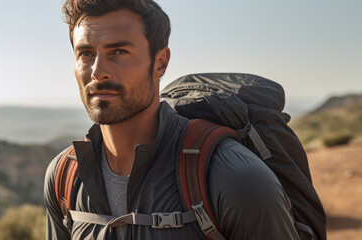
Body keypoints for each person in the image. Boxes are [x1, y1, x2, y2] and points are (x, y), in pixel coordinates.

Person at [43, 0, 300, 239]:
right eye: (86, 54)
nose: (98, 72)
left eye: (119, 51)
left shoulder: (235, 178)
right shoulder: (64, 177)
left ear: (160, 63)